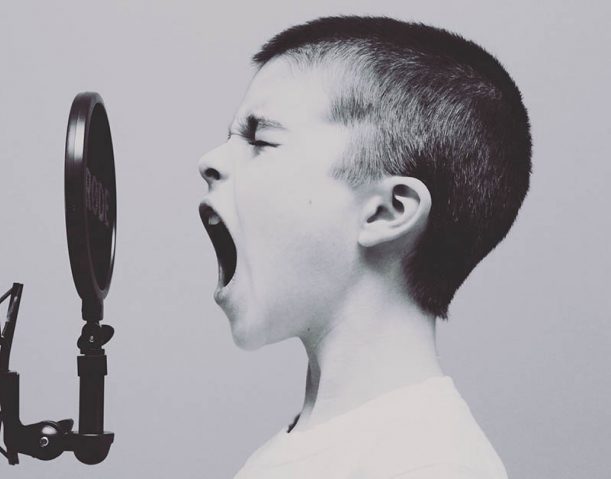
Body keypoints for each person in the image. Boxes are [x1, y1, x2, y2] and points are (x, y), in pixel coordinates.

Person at [197, 16, 530, 479]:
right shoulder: (301, 451)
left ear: (387, 211)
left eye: (260, 139)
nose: (209, 161)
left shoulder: (432, 466)